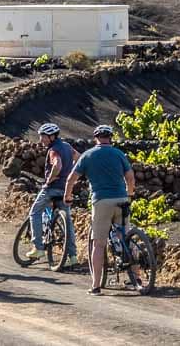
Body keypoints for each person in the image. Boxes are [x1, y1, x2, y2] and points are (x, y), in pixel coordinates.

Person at [63, 124, 140, 296]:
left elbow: (71, 179)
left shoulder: (88, 155)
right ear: (110, 138)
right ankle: (137, 277)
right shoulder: (119, 154)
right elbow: (130, 177)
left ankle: (96, 285)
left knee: (98, 244)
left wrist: (67, 197)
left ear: (96, 138)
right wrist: (129, 195)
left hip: (101, 201)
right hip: (121, 199)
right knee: (125, 236)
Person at [25, 123, 78, 268]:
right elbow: (78, 158)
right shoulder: (67, 146)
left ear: (52, 137)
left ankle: (38, 248)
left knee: (34, 213)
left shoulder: (53, 150)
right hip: (65, 189)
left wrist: (50, 180)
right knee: (67, 222)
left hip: (52, 188)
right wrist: (71, 176)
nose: (41, 139)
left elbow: (57, 165)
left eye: (43, 136)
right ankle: (73, 256)